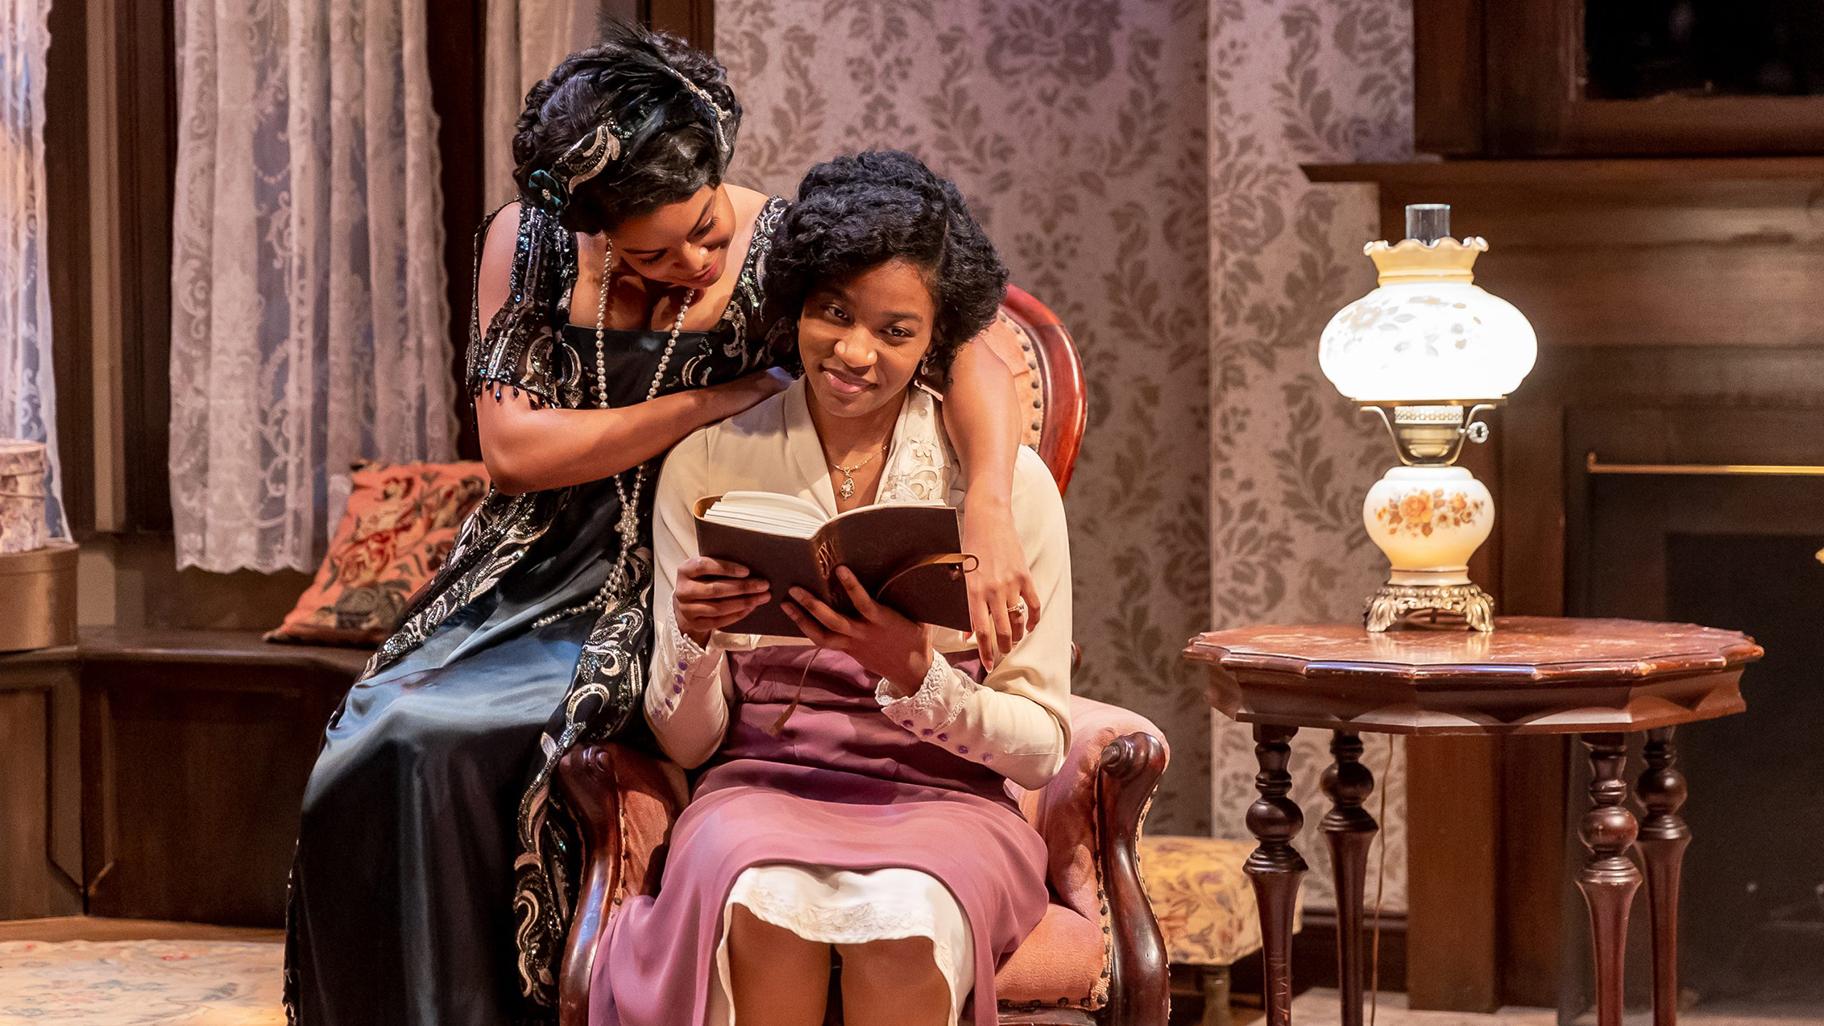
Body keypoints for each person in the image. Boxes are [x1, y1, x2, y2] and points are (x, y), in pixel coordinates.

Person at [285, 26, 1034, 1026]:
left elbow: (976, 337)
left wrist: (987, 500)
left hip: (666, 570)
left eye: (705, 231)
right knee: (378, 736)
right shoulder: (529, 240)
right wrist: (705, 403)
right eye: (653, 251)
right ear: (591, 229)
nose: (691, 258)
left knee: (459, 743)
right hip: (526, 565)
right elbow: (513, 451)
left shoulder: (780, 239)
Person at [594, 150, 1072, 1026]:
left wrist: (917, 672)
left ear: (936, 340)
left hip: (946, 799)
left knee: (907, 920)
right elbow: (689, 745)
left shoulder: (1006, 489)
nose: (854, 353)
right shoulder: (710, 460)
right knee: (759, 901)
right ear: (798, 304)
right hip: (760, 788)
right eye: (833, 314)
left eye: (896, 332)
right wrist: (696, 640)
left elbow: (1040, 751)